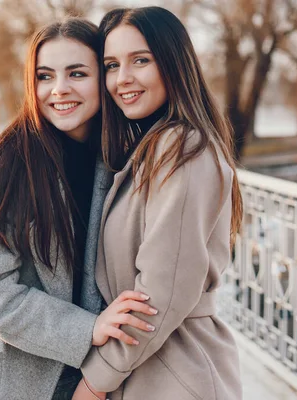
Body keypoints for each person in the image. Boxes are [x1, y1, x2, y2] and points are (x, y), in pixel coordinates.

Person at [0, 18, 158, 400]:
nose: (59, 90)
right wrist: (87, 328)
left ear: (103, 80)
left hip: (79, 374)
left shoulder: (116, 160)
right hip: (2, 379)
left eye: (77, 73)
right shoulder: (6, 167)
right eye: (45, 76)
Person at [73, 7, 244, 400]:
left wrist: (94, 383)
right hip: (149, 369)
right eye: (111, 65)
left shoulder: (183, 148)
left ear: (173, 63)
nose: (123, 79)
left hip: (177, 372)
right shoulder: (149, 148)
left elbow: (161, 294)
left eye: (141, 61)